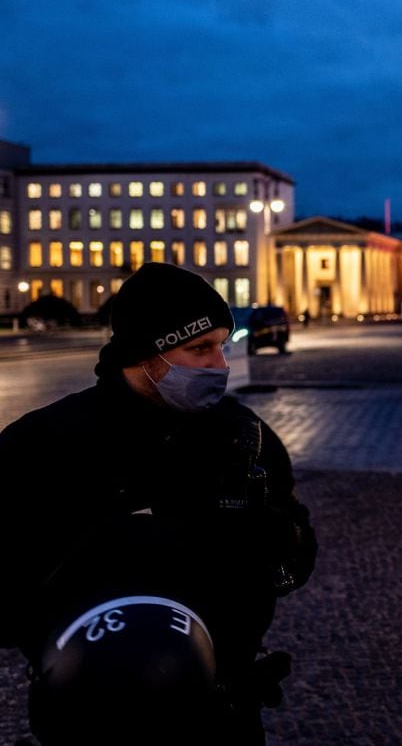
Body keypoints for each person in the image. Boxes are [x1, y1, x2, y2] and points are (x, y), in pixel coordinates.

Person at [0, 263, 317, 745]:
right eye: (199, 349)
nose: (220, 365)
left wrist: (276, 541)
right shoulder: (43, 443)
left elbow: (295, 563)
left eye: (221, 347)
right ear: (144, 355)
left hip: (220, 710)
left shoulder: (244, 438)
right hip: (88, 712)